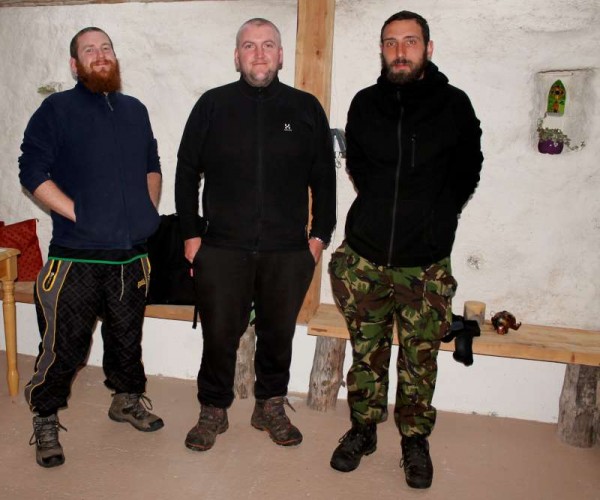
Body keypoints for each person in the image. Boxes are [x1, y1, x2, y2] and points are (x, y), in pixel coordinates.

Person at [328, 11, 483, 489]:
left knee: (420, 358)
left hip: (425, 263)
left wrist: (436, 218)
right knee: (366, 352)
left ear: (428, 49)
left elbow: (468, 168)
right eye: (391, 42)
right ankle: (363, 429)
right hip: (365, 258)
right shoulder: (364, 103)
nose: (400, 51)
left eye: (410, 41)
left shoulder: (454, 105)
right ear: (382, 50)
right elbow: (358, 165)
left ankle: (414, 439)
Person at [175, 18, 336, 452]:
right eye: (250, 46)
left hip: (287, 248)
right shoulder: (212, 105)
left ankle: (270, 405)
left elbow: (324, 177)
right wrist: (191, 236)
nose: (259, 54)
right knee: (219, 333)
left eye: (268, 45)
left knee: (278, 332)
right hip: (222, 245)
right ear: (237, 56)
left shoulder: (304, 109)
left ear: (281, 55)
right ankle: (213, 409)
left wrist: (318, 237)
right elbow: (187, 170)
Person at [18, 27, 164, 468]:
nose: (100, 55)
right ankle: (44, 416)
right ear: (74, 64)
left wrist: (147, 210)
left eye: (106, 48)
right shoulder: (56, 109)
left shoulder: (135, 110)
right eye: (89, 50)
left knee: (127, 341)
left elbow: (151, 165)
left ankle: (125, 399)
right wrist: (80, 214)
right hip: (75, 257)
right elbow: (32, 171)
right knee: (65, 348)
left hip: (131, 257)